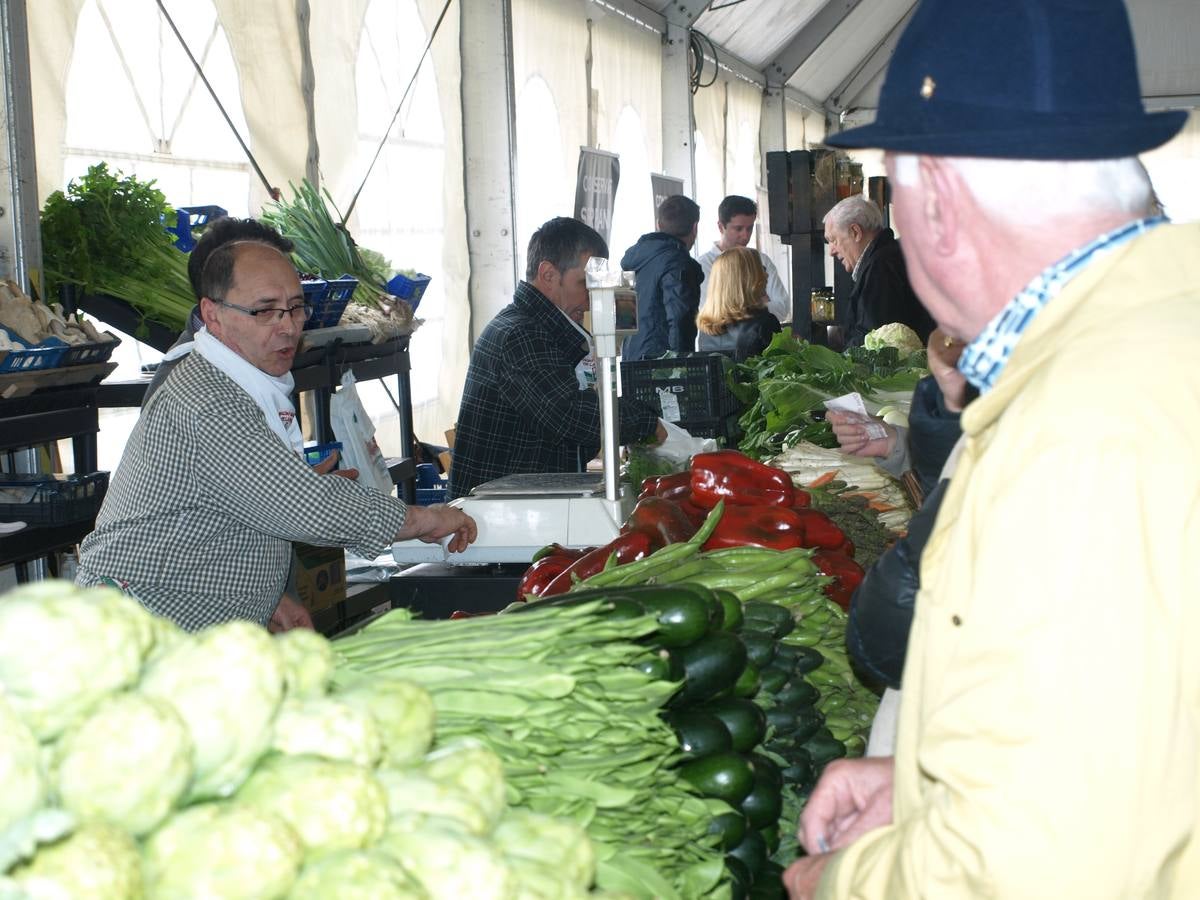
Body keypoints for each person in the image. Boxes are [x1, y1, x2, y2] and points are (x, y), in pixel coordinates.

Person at [785, 0, 1199, 897]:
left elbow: (1039, 866)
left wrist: (849, 883)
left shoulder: (1082, 434)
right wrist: (929, 784)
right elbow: (1132, 738)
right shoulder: (1159, 340)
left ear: (938, 200)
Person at [77, 225, 476, 632]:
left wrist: (267, 595)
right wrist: (426, 520)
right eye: (264, 310)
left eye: (295, 307)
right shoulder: (209, 399)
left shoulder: (244, 378)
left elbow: (235, 506)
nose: (287, 326)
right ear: (212, 315)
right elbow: (309, 508)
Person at [450, 217, 665, 499]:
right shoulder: (521, 335)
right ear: (549, 275)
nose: (590, 300)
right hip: (495, 516)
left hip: (528, 501)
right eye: (584, 285)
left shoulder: (544, 331)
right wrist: (647, 424)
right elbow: (567, 414)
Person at [822, 195, 934, 348]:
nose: (831, 251)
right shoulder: (888, 257)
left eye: (833, 240)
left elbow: (873, 343)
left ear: (855, 232)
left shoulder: (881, 267)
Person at [619, 195, 704, 360]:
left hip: (631, 357)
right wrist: (681, 364)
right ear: (695, 228)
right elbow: (681, 319)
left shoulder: (633, 260)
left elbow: (625, 319)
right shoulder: (678, 263)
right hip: (661, 364)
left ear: (658, 224)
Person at [697, 195, 791, 323]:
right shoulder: (703, 265)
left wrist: (738, 306)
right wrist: (760, 301)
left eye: (750, 228)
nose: (745, 235)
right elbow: (715, 314)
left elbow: (783, 308)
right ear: (720, 227)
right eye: (738, 228)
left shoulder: (761, 260)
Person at [696, 247, 782, 362]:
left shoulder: (706, 329)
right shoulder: (765, 324)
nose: (766, 275)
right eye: (761, 269)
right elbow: (781, 370)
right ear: (748, 279)